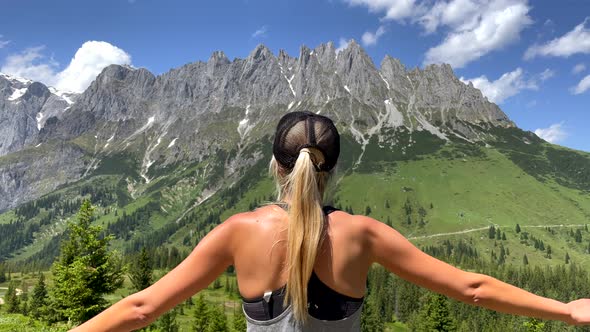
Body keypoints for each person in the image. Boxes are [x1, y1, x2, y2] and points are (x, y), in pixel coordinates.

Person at [72, 111, 590, 331]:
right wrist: (567, 310)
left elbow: (140, 309)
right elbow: (472, 288)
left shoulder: (238, 231)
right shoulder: (363, 234)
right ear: (333, 170)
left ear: (275, 165)